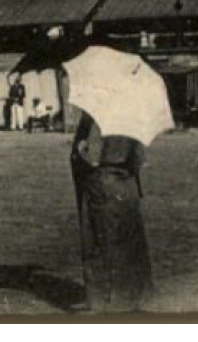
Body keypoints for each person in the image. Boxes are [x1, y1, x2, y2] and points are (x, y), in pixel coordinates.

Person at [70, 111, 153, 312]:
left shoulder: (100, 111)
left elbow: (92, 155)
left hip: (102, 181)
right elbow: (139, 158)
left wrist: (81, 148)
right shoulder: (135, 113)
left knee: (98, 238)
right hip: (127, 182)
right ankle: (134, 296)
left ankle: (102, 300)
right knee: (129, 238)